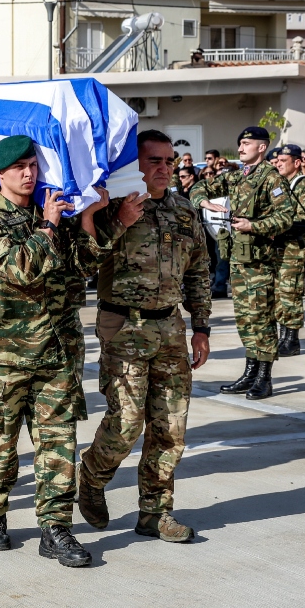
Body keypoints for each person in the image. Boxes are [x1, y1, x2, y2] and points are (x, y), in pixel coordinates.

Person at [0, 135, 121, 567]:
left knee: (59, 444)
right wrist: (49, 227)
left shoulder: (49, 212)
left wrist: (88, 218)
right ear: (0, 174)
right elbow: (19, 268)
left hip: (56, 352)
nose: (29, 174)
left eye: (33, 165)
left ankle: (56, 528)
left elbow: (82, 269)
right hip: (5, 356)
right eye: (19, 168)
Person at [77, 129, 208, 544]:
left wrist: (201, 326)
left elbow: (199, 270)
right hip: (124, 325)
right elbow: (85, 258)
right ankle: (93, 476)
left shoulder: (185, 210)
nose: (165, 168)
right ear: (135, 166)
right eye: (155, 161)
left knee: (171, 426)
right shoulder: (113, 206)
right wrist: (118, 221)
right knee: (128, 420)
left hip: (170, 326)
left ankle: (155, 512)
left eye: (170, 161)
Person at [190, 127, 295, 400]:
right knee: (245, 320)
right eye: (240, 143)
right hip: (239, 260)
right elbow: (199, 186)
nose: (240, 148)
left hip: (260, 262)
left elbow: (287, 217)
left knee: (262, 319)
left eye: (246, 143)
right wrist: (204, 203)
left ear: (262, 147)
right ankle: (250, 371)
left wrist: (254, 225)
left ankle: (264, 376)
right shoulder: (237, 177)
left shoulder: (271, 179)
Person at [272, 145, 305, 356]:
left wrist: (275, 225)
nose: (278, 164)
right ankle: (283, 336)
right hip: (281, 248)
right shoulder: (283, 184)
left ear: (297, 162)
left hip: (294, 247)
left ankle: (291, 339)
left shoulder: (304, 184)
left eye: (283, 160)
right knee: (279, 293)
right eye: (277, 161)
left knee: (290, 292)